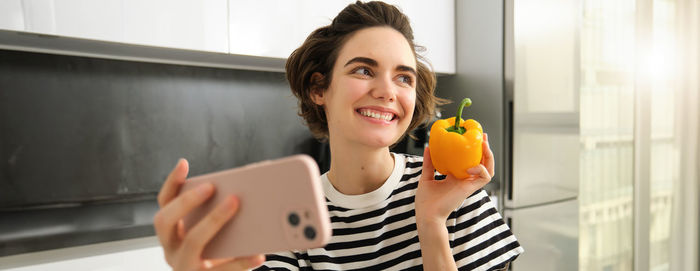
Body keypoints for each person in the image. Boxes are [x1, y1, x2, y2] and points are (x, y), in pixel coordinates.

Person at [153, 1, 523, 270]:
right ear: (319, 88)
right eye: (364, 70)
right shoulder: (293, 215)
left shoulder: (454, 194)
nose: (387, 91)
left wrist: (431, 225)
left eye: (403, 77)